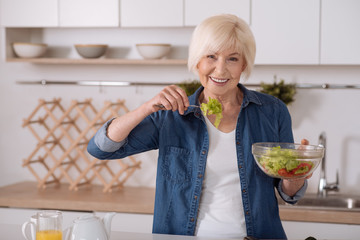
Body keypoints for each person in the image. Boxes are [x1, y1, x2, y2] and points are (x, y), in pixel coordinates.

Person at [87, 14, 310, 239]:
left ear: (244, 64)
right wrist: (146, 108)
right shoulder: (173, 114)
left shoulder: (272, 111)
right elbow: (101, 148)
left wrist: (296, 173)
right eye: (211, 56)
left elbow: (289, 193)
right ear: (197, 61)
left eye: (232, 59)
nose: (220, 70)